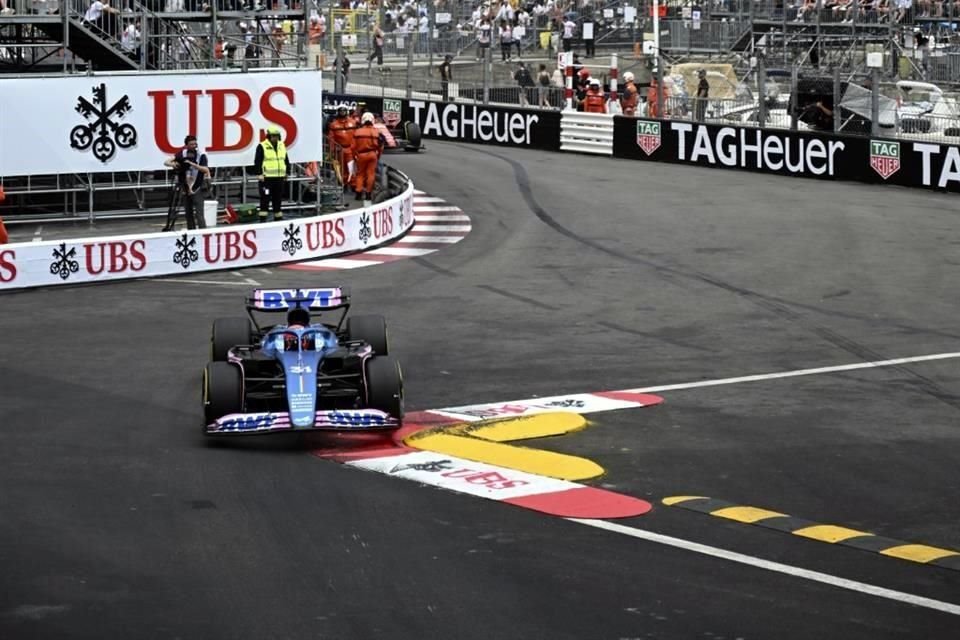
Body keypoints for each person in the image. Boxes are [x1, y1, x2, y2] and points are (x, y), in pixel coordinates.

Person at [162, 135, 211, 231]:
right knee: (188, 214)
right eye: (191, 144)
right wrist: (174, 164)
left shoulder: (201, 155)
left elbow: (205, 169)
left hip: (196, 187)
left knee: (199, 214)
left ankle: (203, 234)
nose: (194, 146)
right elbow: (166, 162)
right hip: (184, 187)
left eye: (195, 144)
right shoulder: (182, 153)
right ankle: (191, 232)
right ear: (186, 145)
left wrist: (193, 165)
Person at [253, 125, 288, 222]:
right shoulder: (262, 146)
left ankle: (278, 218)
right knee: (265, 198)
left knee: (278, 198)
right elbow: (258, 161)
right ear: (269, 136)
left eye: (277, 136)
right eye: (273, 136)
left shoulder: (281, 145)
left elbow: (285, 160)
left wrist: (286, 173)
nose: (275, 138)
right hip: (266, 178)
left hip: (279, 178)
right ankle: (263, 219)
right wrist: (259, 174)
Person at [350, 112, 385, 205]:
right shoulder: (377, 132)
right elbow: (381, 146)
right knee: (371, 174)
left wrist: (355, 156)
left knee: (360, 174)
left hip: (361, 155)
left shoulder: (358, 131)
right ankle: (368, 193)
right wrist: (377, 156)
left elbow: (353, 147)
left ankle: (358, 193)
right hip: (372, 155)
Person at [327, 106, 356, 190]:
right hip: (340, 149)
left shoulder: (352, 122)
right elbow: (331, 139)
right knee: (342, 168)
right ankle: (344, 184)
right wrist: (332, 150)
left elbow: (356, 136)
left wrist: (355, 148)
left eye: (344, 111)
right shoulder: (334, 124)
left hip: (350, 148)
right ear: (338, 112)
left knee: (352, 167)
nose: (342, 112)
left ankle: (353, 184)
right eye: (341, 111)